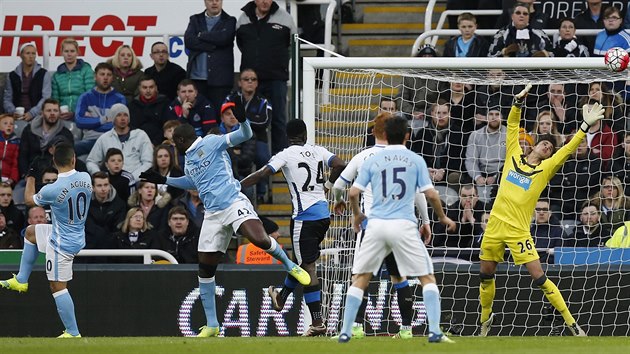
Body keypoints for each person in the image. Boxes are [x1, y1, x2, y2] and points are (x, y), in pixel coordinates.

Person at [139, 102, 311, 337]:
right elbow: (192, 183)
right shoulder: (188, 160)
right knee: (205, 268)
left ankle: (291, 266)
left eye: (172, 142)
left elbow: (244, 135)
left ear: (179, 141)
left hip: (233, 202)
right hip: (212, 214)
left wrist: (244, 121)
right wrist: (163, 180)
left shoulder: (211, 142)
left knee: (259, 238)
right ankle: (212, 324)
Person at [478, 84, 599, 337]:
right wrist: (517, 103)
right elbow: (512, 127)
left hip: (519, 231)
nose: (547, 146)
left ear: (548, 156)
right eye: (543, 143)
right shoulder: (512, 156)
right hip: (495, 226)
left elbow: (566, 150)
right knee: (485, 275)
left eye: (549, 147)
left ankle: (572, 324)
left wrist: (584, 127)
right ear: (532, 146)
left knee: (539, 277)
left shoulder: (543, 172)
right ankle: (484, 323)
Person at [336, 115, 455, 343]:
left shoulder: (367, 158)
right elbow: (427, 194)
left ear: (380, 134)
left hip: (374, 225)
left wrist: (356, 215)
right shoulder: (415, 159)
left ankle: (348, 330)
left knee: (360, 278)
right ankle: (422, 330)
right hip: (403, 225)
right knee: (418, 278)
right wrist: (434, 220)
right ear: (407, 135)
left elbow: (348, 191)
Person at [240, 119, 346, 336]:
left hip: (303, 218)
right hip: (324, 217)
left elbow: (263, 173)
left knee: (307, 268)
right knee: (302, 262)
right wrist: (327, 186)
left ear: (288, 137)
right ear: (305, 135)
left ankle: (317, 322)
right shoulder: (318, 150)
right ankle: (282, 297)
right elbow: (340, 164)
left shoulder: (285, 154)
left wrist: (239, 185)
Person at [1, 143, 92, 338]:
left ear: (54, 162)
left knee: (57, 287)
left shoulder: (53, 189)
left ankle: (73, 332)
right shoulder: (86, 178)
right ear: (74, 159)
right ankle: (21, 280)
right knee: (31, 233)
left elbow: (28, 200)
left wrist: (32, 176)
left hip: (62, 243)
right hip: (72, 232)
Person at [236, 0, 298, 154]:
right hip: (252, 81)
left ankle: (280, 158)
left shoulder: (286, 18)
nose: (264, 1)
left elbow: (292, 46)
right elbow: (241, 44)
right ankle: (252, 160)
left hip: (276, 79)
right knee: (249, 119)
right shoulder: (243, 18)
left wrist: (279, 63)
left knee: (278, 120)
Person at [225, 69, 272, 203]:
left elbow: (264, 122)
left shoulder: (263, 100)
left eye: (253, 79)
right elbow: (225, 114)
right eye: (246, 79)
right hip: (233, 137)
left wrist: (242, 120)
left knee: (263, 158)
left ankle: (261, 192)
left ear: (257, 83)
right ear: (240, 82)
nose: (250, 82)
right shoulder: (231, 98)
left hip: (258, 138)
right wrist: (249, 120)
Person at [185, 0, 236, 113]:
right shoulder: (195, 19)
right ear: (205, 2)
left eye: (217, 0)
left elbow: (224, 38)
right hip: (196, 79)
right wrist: (212, 45)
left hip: (220, 81)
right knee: (197, 115)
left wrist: (200, 35)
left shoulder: (230, 20)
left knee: (220, 115)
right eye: (210, 0)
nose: (214, 3)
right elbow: (189, 41)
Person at [86, 103, 153, 180]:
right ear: (113, 118)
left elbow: (148, 162)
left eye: (125, 115)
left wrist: (132, 178)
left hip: (137, 181)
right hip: (111, 182)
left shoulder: (141, 135)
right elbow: (91, 161)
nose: (122, 118)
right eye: (118, 115)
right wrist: (101, 176)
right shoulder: (105, 138)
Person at [74, 62, 126, 156]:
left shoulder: (119, 98)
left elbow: (119, 124)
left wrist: (91, 121)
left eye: (109, 75)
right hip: (90, 140)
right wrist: (104, 120)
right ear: (95, 76)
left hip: (112, 140)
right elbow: (79, 121)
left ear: (112, 78)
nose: (105, 78)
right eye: (102, 74)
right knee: (70, 151)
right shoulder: (85, 97)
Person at [18, 98, 74, 180]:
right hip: (31, 174)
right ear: (42, 112)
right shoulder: (29, 130)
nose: (52, 113)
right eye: (49, 110)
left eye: (55, 111)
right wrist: (25, 175)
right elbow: (23, 155)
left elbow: (68, 158)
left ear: (59, 113)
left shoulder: (65, 134)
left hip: (55, 176)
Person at [549, 137, 602, 219]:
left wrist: (568, 179)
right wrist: (575, 180)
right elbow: (554, 182)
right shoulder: (562, 160)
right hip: (561, 204)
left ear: (587, 144)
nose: (579, 145)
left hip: (584, 204)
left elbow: (587, 182)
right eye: (575, 142)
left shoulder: (595, 161)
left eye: (582, 142)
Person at [3, 42, 51, 122]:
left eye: (33, 53)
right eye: (27, 53)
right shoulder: (12, 75)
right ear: (21, 55)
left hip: (38, 116)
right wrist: (13, 112)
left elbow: (46, 97)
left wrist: (32, 113)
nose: (31, 56)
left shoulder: (43, 74)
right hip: (16, 116)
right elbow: (7, 98)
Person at [219, 102, 257, 201]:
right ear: (222, 118)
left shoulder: (248, 134)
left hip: (241, 175)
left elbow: (247, 160)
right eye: (228, 114)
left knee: (248, 190)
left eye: (235, 113)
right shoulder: (215, 135)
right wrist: (234, 152)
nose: (232, 117)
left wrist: (228, 154)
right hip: (219, 177)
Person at [51, 38, 94, 122]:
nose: (69, 54)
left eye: (72, 51)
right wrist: (58, 112)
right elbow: (55, 100)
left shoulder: (86, 70)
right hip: (62, 117)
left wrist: (75, 113)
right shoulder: (56, 75)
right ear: (62, 53)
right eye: (66, 51)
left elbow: (90, 96)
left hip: (83, 115)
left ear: (77, 52)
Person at [433, 184, 487, 249]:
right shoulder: (451, 210)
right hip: (456, 249)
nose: (467, 200)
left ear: (477, 197)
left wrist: (472, 220)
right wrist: (463, 222)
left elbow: (484, 233)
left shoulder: (485, 209)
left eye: (471, 196)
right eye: (464, 196)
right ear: (460, 197)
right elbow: (442, 236)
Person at [465, 105, 506, 188]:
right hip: (481, 171)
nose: (494, 117)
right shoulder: (475, 135)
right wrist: (477, 177)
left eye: (497, 114)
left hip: (503, 173)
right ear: (486, 117)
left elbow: (512, 161)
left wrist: (497, 177)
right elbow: (470, 160)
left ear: (502, 117)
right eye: (491, 114)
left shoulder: (510, 134)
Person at [85, 171, 127, 250]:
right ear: (93, 188)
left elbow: (118, 228)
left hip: (112, 246)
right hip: (90, 245)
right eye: (99, 186)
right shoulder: (85, 204)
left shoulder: (120, 204)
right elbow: (88, 226)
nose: (103, 189)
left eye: (106, 185)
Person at [128, 75, 170, 146]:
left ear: (156, 88)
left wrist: (155, 143)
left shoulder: (165, 103)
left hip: (161, 144)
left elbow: (166, 126)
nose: (148, 91)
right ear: (139, 88)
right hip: (138, 144)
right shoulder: (132, 105)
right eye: (145, 87)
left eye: (151, 87)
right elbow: (132, 127)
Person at [530, 198, 565, 263]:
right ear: (533, 212)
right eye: (538, 209)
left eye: (545, 210)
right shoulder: (528, 231)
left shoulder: (559, 232)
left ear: (550, 213)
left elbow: (560, 255)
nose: (541, 213)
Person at [0, 114, 20, 185]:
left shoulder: (16, 142)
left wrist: (12, 179)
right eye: (5, 123)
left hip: (7, 178)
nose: (9, 125)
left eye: (11, 124)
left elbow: (15, 164)